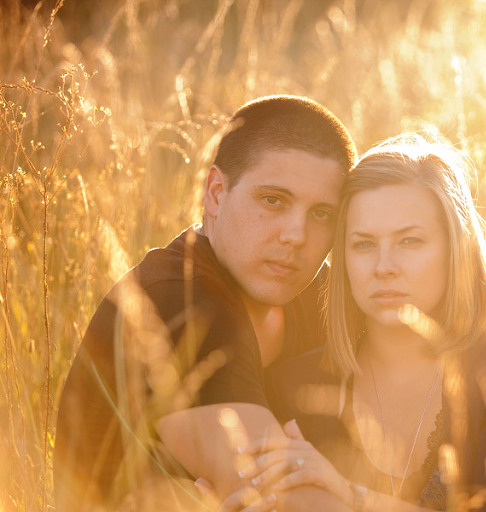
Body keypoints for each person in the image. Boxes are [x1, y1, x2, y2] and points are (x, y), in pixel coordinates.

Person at [239, 134, 486, 511]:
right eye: (363, 244)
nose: (384, 267)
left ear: (457, 250)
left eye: (409, 241)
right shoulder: (294, 386)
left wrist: (349, 498)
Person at [53, 95, 357, 511]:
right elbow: (289, 502)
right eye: (273, 201)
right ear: (215, 192)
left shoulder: (317, 296)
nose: (296, 235)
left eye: (322, 214)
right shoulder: (175, 298)